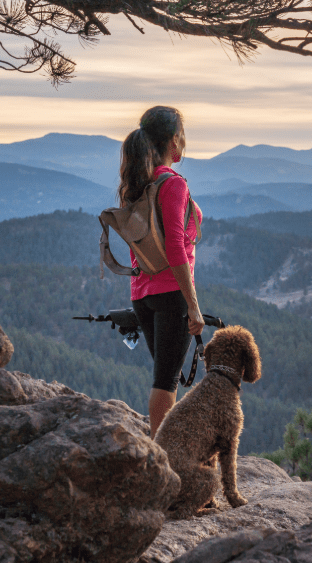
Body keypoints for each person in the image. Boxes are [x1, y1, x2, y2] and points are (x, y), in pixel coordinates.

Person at [117, 106, 204, 439]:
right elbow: (175, 249)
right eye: (182, 135)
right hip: (171, 294)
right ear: (172, 141)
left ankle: (162, 450)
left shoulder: (136, 184)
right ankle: (163, 458)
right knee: (166, 381)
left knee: (164, 375)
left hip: (142, 293)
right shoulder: (172, 184)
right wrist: (192, 304)